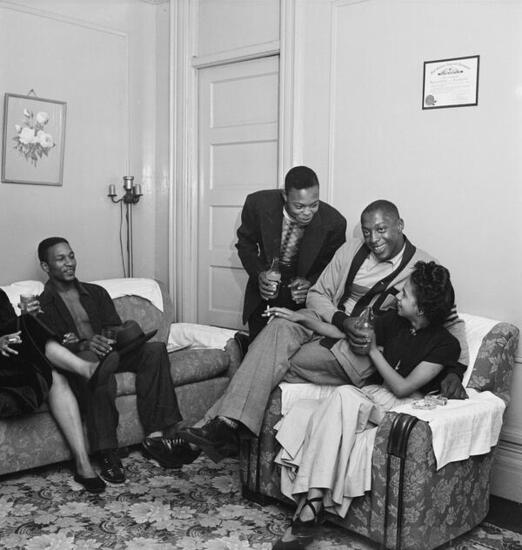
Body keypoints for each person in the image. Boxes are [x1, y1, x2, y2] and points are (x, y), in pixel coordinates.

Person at [178, 200, 468, 462]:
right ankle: (221, 429)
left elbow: (449, 320)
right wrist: (340, 319)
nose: (373, 239)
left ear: (400, 225)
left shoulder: (421, 270)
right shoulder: (351, 250)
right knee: (279, 327)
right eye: (367, 231)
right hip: (327, 322)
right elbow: (317, 294)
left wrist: (455, 369)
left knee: (265, 357)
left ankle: (202, 434)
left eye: (381, 230)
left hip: (355, 348)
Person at [271, 261, 460, 549]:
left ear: (421, 308)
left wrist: (373, 350)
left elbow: (402, 387)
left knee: (344, 395)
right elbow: (342, 333)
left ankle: (312, 502)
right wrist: (300, 319)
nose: (398, 297)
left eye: (405, 294)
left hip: (402, 410)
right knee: (305, 410)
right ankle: (311, 504)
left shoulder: (445, 344)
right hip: (372, 396)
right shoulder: (393, 321)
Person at [36, 237, 198, 484]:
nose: (69, 263)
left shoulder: (95, 293)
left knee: (154, 350)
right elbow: (52, 345)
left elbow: (113, 325)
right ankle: (107, 452)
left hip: (112, 352)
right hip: (81, 360)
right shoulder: (43, 304)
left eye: (71, 256)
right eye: (60, 259)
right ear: (46, 266)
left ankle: (156, 437)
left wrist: (116, 334)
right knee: (97, 368)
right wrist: (84, 344)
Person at [0, 288, 118, 493]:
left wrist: (26, 320)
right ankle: (86, 369)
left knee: (55, 377)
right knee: (28, 326)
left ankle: (83, 465)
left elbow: (11, 331)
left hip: (10, 363)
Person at [236, 165, 346, 342]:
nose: (307, 213)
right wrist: (259, 274)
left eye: (314, 205)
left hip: (302, 303)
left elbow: (333, 267)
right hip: (263, 296)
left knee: (291, 351)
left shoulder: (334, 222)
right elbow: (245, 244)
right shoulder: (258, 204)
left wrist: (311, 283)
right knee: (257, 346)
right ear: (285, 196)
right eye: (299, 206)